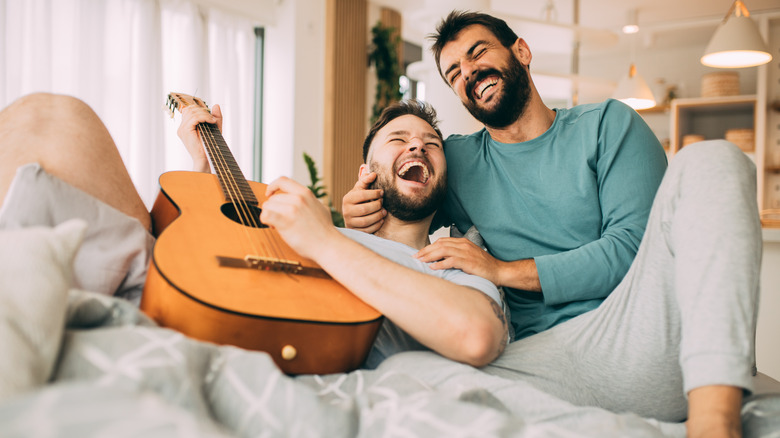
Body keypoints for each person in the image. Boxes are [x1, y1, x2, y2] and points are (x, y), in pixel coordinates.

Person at [342, 10, 761, 438]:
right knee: (405, 375)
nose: (468, 73)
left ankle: (715, 424)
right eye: (454, 72)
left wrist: (503, 271)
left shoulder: (607, 126)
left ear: (521, 51)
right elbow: (408, 192)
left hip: (636, 330)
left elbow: (630, 248)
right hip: (547, 363)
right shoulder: (458, 160)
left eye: (478, 52)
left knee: (713, 159)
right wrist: (358, 205)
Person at [0, 93, 507, 369]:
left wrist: (326, 239)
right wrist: (202, 165)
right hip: (174, 290)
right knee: (48, 116)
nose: (418, 147)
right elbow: (184, 241)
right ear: (366, 171)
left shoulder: (458, 256)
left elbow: (475, 332)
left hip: (273, 334)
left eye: (431, 143)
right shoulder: (313, 221)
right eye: (399, 138)